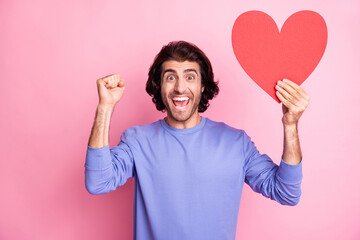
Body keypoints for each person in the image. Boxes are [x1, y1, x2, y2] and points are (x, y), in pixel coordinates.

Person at [85, 41, 309, 240]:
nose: (180, 87)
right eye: (170, 77)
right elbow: (97, 182)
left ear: (202, 86)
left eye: (190, 77)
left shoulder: (235, 143)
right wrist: (105, 107)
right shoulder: (138, 141)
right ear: (159, 87)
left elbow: (286, 192)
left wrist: (290, 125)